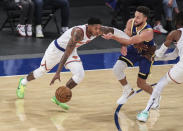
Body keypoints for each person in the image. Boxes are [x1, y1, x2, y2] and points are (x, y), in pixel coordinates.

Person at [16, 17, 130, 110]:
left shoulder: (99, 30)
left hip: (71, 51)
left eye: (99, 28)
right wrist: (58, 72)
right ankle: (23, 82)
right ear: (89, 26)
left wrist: (128, 42)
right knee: (42, 71)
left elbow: (116, 31)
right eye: (95, 28)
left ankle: (59, 96)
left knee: (80, 74)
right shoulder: (78, 33)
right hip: (57, 50)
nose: (98, 31)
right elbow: (65, 54)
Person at [102, 6, 160, 108]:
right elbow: (126, 36)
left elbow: (129, 41)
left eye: (138, 17)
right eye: (135, 16)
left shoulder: (148, 31)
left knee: (141, 84)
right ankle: (128, 90)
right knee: (117, 69)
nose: (135, 19)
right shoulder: (130, 22)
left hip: (146, 55)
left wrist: (113, 37)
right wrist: (123, 46)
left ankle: (156, 96)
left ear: (145, 18)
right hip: (134, 50)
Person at [136, 11, 183, 122]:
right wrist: (156, 58)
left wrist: (153, 55)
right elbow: (174, 55)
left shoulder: (175, 33)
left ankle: (145, 112)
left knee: (159, 85)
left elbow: (161, 52)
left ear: (177, 22)